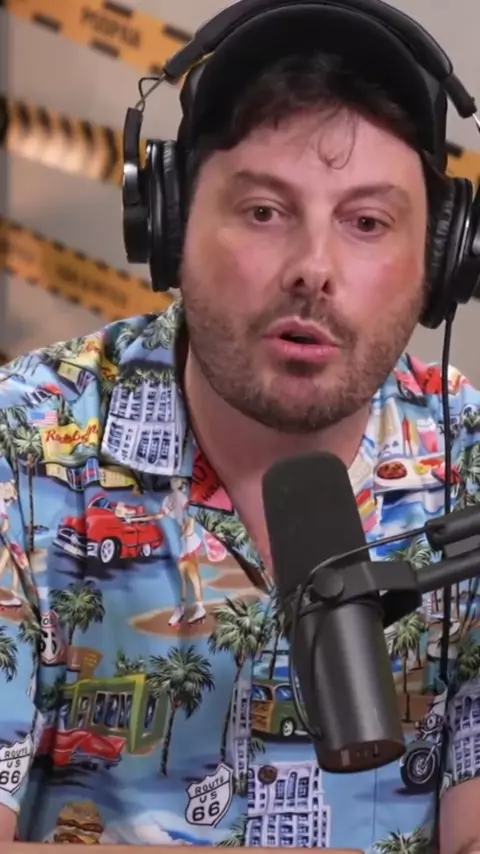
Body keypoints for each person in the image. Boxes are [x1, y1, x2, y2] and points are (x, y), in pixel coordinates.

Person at [0, 0, 479, 850]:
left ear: (441, 263)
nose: (313, 270)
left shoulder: (470, 467)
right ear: (169, 223)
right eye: (264, 211)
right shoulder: (24, 441)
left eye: (367, 223)